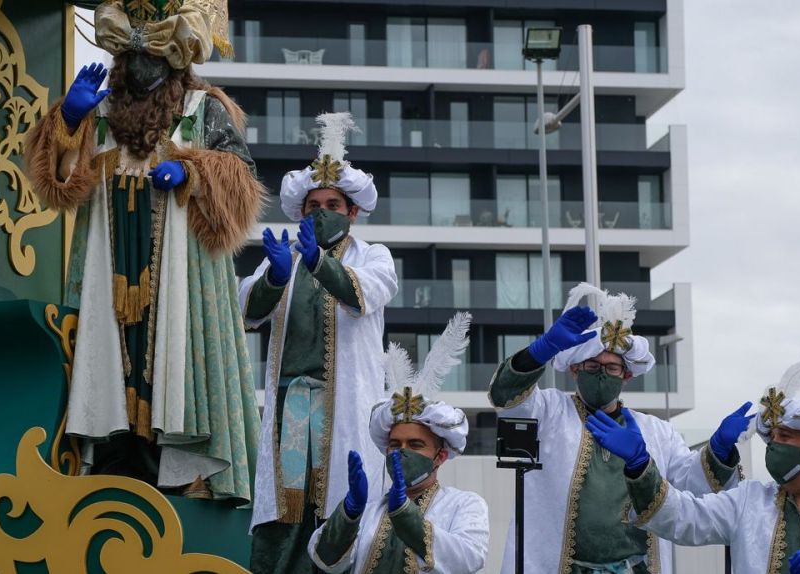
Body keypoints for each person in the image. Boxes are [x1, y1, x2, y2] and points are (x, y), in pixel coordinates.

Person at [25, 0, 262, 500]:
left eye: (151, 55)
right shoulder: (102, 108)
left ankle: (174, 475)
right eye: (131, 56)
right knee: (106, 364)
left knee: (173, 369)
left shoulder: (202, 109)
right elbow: (58, 182)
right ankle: (112, 465)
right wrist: (68, 119)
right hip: (106, 262)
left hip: (182, 279)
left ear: (175, 58)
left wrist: (193, 171)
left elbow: (241, 182)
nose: (140, 66)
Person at [487, 283, 749, 573]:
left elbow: (691, 486)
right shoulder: (549, 411)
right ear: (574, 370)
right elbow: (505, 397)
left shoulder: (657, 431)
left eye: (611, 368)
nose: (602, 374)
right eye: (592, 366)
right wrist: (541, 350)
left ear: (626, 375)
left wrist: (719, 448)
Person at [238, 112, 398, 573]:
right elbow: (246, 311)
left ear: (353, 211)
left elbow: (364, 295)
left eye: (332, 204)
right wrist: (275, 277)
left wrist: (320, 264)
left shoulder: (373, 255)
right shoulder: (283, 257)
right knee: (287, 510)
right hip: (291, 406)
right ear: (301, 212)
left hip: (344, 405)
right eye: (313, 206)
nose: (322, 212)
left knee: (340, 508)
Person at [589, 366, 800, 573]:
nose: (774, 446)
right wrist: (640, 465)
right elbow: (681, 517)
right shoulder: (748, 501)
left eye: (785, 437)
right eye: (771, 438)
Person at [309, 312, 489, 573]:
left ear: (440, 456)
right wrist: (349, 513)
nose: (402, 452)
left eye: (415, 445)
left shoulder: (464, 504)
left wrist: (405, 514)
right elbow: (322, 559)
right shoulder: (369, 511)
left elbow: (468, 559)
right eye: (395, 444)